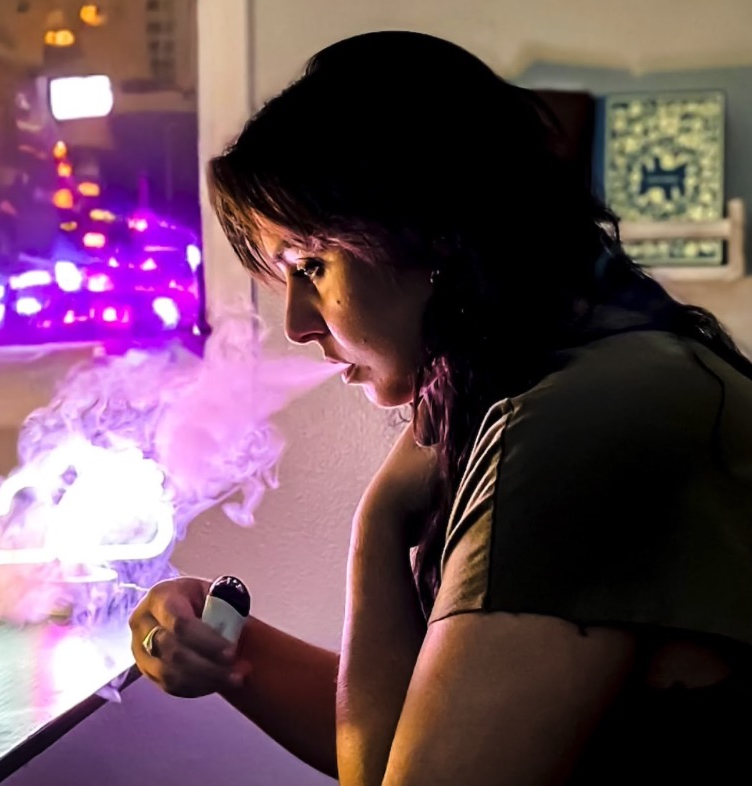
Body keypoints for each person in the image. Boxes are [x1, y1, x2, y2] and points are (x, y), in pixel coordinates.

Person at [128, 31, 752, 785]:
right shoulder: (616, 372)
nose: (295, 323)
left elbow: (387, 774)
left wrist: (379, 521)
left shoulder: (579, 423)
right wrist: (234, 649)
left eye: (311, 265)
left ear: (433, 237)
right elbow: (424, 728)